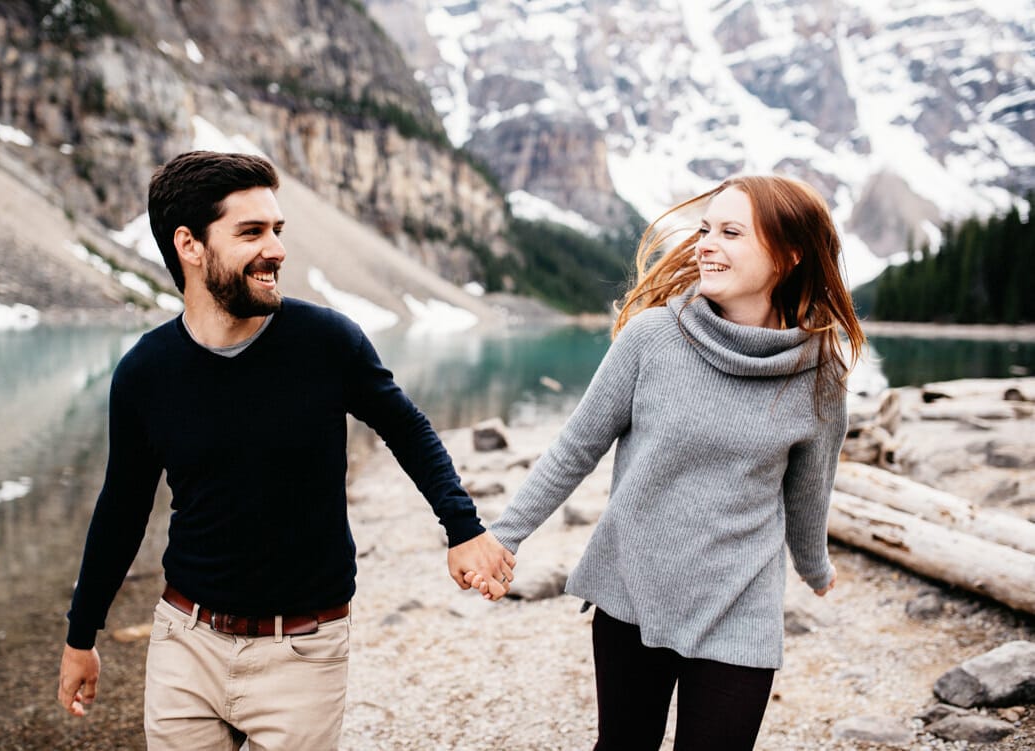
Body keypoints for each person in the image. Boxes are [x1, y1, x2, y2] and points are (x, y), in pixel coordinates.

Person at [56, 150, 515, 750]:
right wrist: (81, 636)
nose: (275, 248)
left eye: (277, 229)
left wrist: (465, 527)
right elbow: (122, 508)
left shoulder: (327, 342)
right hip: (184, 645)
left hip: (304, 651)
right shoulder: (145, 372)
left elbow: (407, 430)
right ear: (190, 245)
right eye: (251, 232)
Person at [468, 175, 865, 750]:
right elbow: (576, 447)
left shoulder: (821, 377)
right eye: (705, 228)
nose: (705, 243)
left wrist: (814, 566)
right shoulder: (653, 337)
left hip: (741, 604)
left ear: (788, 255)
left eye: (730, 232)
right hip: (634, 588)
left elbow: (807, 493)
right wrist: (506, 535)